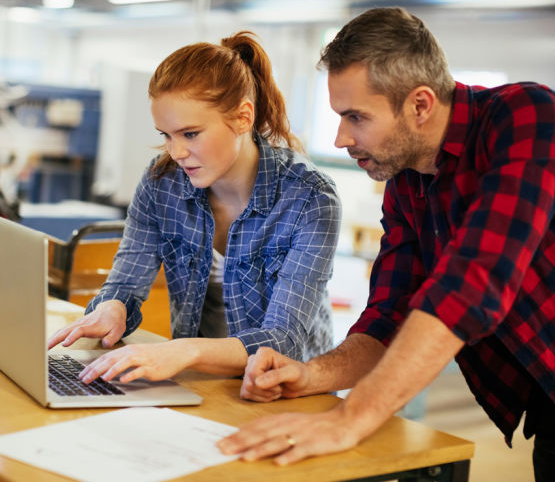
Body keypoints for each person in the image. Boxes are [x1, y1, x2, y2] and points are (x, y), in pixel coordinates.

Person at [217, 7, 555, 481]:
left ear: (419, 104)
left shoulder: (530, 119)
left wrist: (352, 418)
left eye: (356, 116)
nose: (341, 136)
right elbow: (389, 316)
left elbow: (474, 283)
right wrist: (312, 375)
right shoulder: (408, 182)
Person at [48, 32, 340, 385]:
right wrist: (114, 307)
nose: (176, 152)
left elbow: (282, 340)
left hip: (287, 390)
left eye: (190, 134)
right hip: (201, 380)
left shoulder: (310, 198)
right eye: (166, 135)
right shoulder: (161, 185)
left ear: (243, 117)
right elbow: (126, 282)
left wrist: (184, 350)